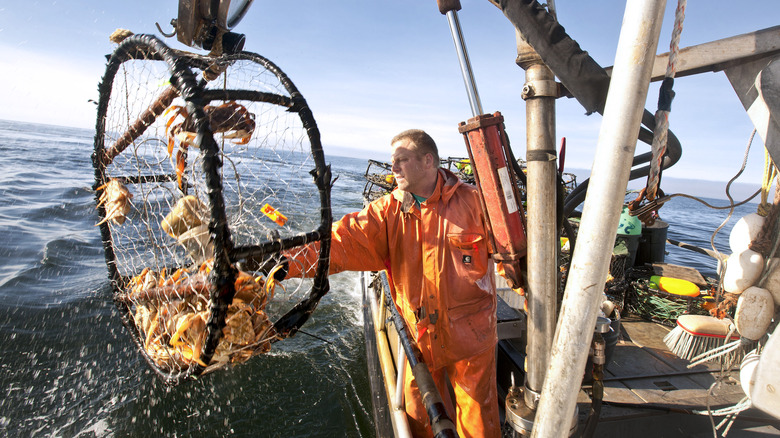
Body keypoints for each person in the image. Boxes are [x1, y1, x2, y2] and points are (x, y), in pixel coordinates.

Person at [284, 129, 500, 438]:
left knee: (479, 420)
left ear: (428, 161)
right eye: (392, 161)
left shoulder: (477, 204)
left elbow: (514, 259)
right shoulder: (387, 211)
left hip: (472, 338)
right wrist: (281, 263)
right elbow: (338, 242)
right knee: (419, 417)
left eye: (401, 160)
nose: (393, 168)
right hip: (419, 335)